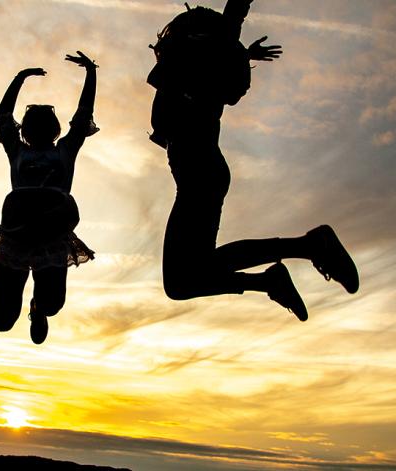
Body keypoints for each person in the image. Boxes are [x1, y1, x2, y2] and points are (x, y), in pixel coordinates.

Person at [148, 0, 358, 321]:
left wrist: (234, 42)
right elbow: (218, 51)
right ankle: (276, 274)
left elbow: (229, 22)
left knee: (182, 280)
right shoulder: (194, 68)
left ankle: (308, 248)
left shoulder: (193, 61)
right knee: (182, 283)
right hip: (201, 173)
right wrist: (241, 53)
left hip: (200, 173)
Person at [0, 51, 99, 344]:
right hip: (17, 231)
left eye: (47, 122)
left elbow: (83, 115)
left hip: (52, 232)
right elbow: (3, 116)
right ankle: (7, 298)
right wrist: (20, 78)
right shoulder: (17, 151)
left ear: (55, 129)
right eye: (34, 122)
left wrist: (91, 73)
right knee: (2, 321)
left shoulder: (65, 151)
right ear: (26, 129)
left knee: (51, 304)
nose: (41, 126)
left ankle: (37, 308)